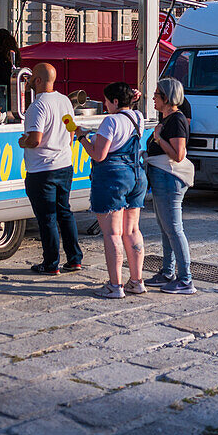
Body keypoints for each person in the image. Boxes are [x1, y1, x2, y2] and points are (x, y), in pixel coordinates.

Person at [74, 81, 146, 299]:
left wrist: (81, 138)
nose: (105, 105)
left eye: (106, 100)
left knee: (113, 233)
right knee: (132, 230)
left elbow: (99, 155)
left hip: (112, 177)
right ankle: (137, 281)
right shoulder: (138, 117)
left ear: (115, 101)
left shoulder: (110, 121)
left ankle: (115, 286)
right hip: (136, 175)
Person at [19, 62, 83, 275]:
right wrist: (64, 146)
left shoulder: (37, 106)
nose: (27, 81)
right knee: (65, 212)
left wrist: (23, 142)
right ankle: (74, 259)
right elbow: (71, 129)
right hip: (64, 165)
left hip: (41, 169)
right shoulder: (64, 100)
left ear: (37, 80)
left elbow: (35, 140)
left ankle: (50, 263)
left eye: (30, 78)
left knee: (47, 218)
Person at [145, 76, 197, 294]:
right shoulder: (168, 118)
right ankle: (168, 272)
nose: (153, 98)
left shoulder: (175, 120)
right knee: (166, 229)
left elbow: (178, 154)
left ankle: (186, 279)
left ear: (166, 97)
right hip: (162, 178)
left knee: (174, 230)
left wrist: (158, 139)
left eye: (157, 94)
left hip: (169, 178)